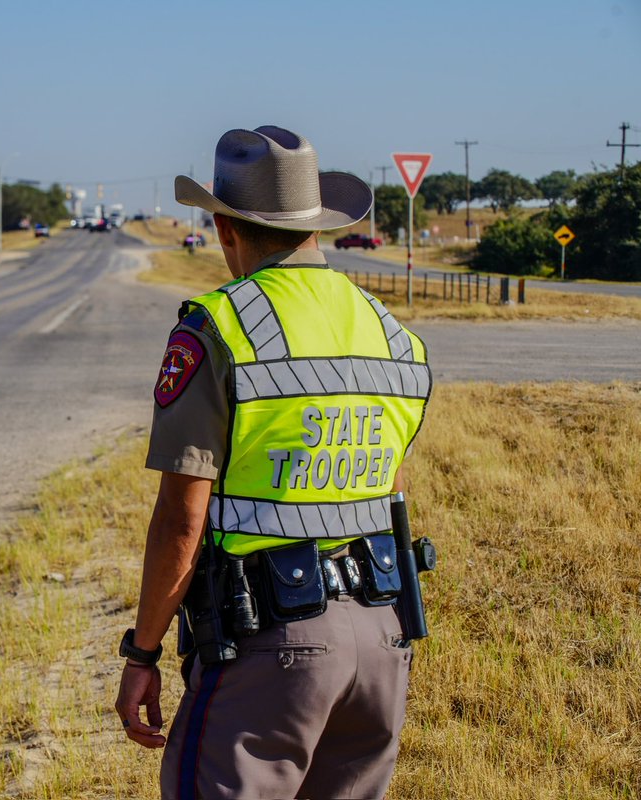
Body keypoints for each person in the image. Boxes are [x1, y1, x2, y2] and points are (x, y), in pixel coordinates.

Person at [114, 126, 431, 799]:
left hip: (268, 648)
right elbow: (390, 493)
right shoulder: (394, 336)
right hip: (381, 640)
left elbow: (181, 518)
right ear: (317, 225)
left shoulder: (216, 325)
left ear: (224, 228)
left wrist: (142, 652)